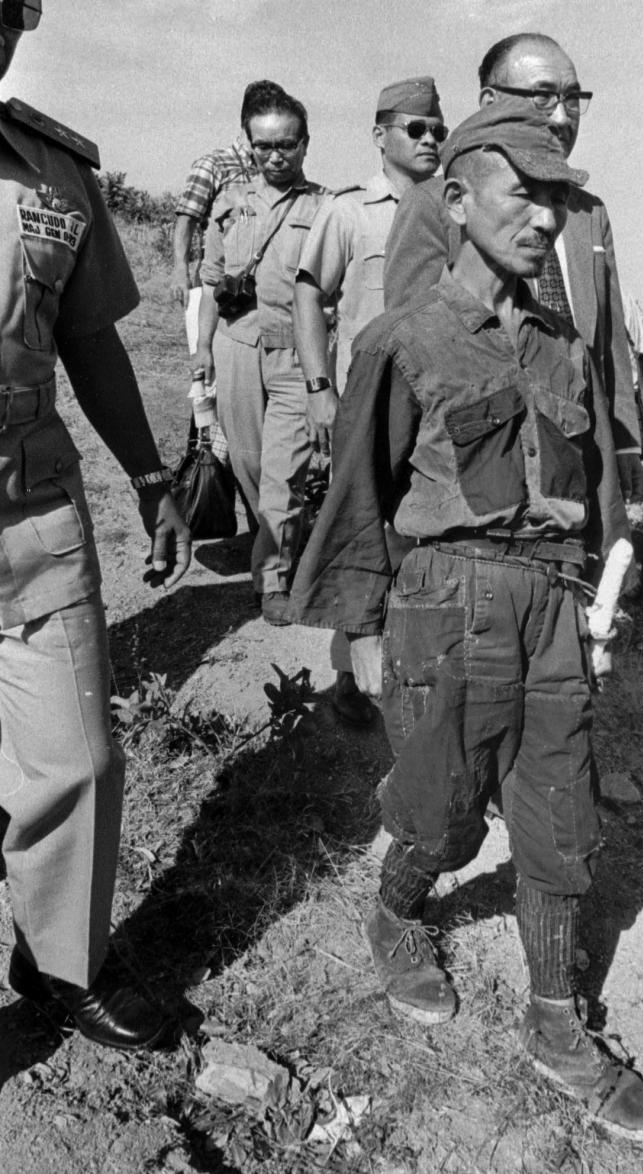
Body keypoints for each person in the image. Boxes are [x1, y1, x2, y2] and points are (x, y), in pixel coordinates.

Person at [288, 100, 643, 1142]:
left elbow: (598, 496)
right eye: (523, 195)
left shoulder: (563, 347)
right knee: (443, 806)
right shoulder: (401, 340)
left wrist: (606, 586)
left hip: (551, 604)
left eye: (557, 199)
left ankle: (555, 1018)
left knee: (560, 813)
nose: (545, 219)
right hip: (445, 604)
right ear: (455, 200)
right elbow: (359, 498)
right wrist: (360, 632)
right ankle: (398, 911)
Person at [0, 1, 192, 1050]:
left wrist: (152, 477)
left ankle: (59, 958)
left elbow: (92, 343)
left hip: (31, 515)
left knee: (77, 757)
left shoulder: (53, 174)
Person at [382, 33, 643, 504]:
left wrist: (623, 439)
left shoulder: (589, 212)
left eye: (572, 100)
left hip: (580, 434)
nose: (562, 117)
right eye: (543, 96)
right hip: (482, 457)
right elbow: (412, 349)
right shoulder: (434, 202)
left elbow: (607, 338)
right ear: (489, 101)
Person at [292, 75, 444, 725]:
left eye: (438, 129)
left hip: (430, 401)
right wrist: (319, 387)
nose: (431, 138)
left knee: (413, 537)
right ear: (379, 136)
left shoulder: (450, 210)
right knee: (362, 531)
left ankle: (394, 677)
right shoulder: (350, 210)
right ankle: (348, 681)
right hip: (364, 400)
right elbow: (308, 296)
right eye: (416, 128)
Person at [194, 86, 327, 625]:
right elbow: (210, 285)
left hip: (296, 355)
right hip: (236, 347)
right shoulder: (229, 204)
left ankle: (273, 578)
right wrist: (202, 348)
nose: (277, 156)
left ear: (305, 144)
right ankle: (282, 535)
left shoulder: (325, 207)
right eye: (264, 145)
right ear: (249, 145)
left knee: (281, 472)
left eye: (287, 145)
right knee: (247, 461)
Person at [169, 80, 285, 310]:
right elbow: (186, 220)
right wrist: (180, 270)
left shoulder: (274, 170)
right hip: (217, 283)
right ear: (247, 124)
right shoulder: (213, 165)